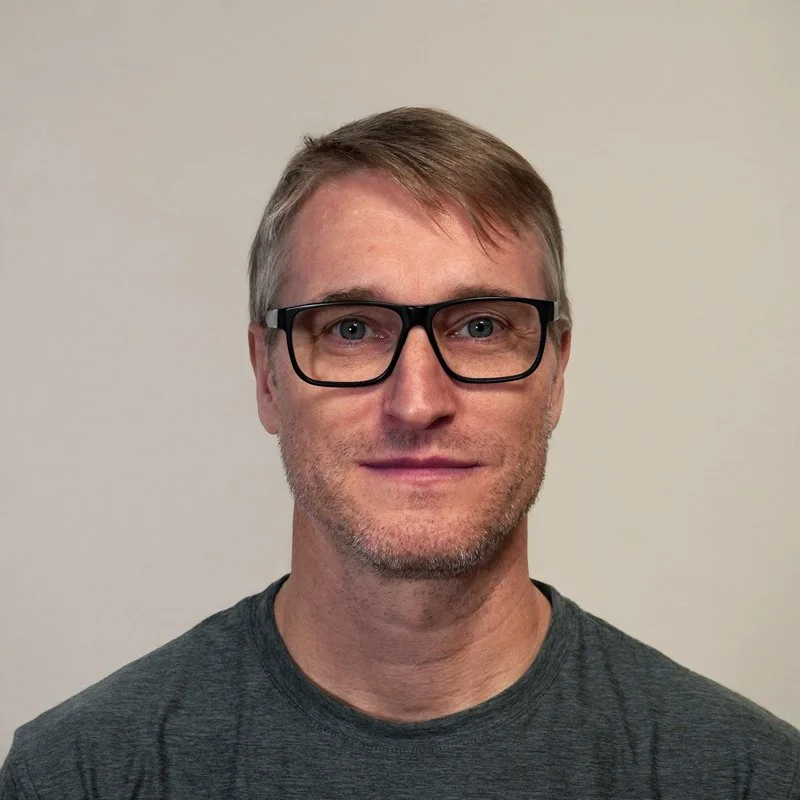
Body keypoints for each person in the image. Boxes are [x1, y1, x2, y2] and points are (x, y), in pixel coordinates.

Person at [1, 107, 797, 800]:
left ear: (555, 374)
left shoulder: (747, 777)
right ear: (267, 378)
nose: (418, 402)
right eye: (351, 329)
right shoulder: (80, 775)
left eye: (481, 327)